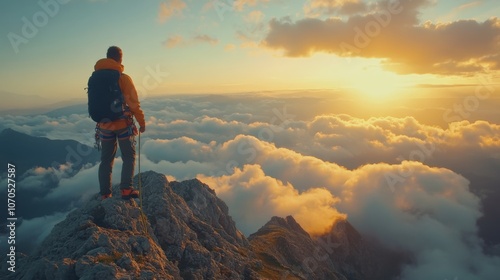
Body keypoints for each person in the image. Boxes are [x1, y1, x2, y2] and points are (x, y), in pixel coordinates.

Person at [94, 46, 146, 200]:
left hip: (104, 125)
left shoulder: (95, 78)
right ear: (120, 59)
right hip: (122, 124)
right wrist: (141, 122)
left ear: (107, 56)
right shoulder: (122, 78)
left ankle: (105, 194)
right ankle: (126, 189)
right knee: (128, 156)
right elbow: (134, 103)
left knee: (106, 160)